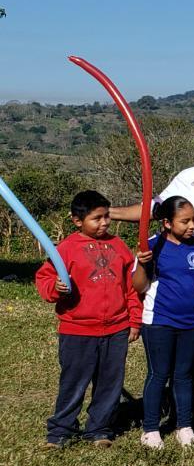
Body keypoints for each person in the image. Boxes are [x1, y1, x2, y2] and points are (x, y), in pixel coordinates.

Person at [35, 191, 142, 449]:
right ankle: (60, 431)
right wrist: (55, 288)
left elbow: (131, 286)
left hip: (116, 328)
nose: (104, 223)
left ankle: (99, 429)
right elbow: (44, 279)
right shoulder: (66, 249)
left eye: (106, 216)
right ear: (77, 220)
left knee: (109, 382)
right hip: (78, 330)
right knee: (73, 382)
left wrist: (134, 320)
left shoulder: (119, 246)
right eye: (97, 218)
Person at [132, 196, 194, 449]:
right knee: (159, 374)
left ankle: (184, 425)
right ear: (167, 223)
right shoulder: (152, 246)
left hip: (190, 322)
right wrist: (144, 265)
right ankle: (151, 429)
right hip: (159, 321)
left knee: (184, 375)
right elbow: (139, 286)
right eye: (185, 221)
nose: (192, 226)